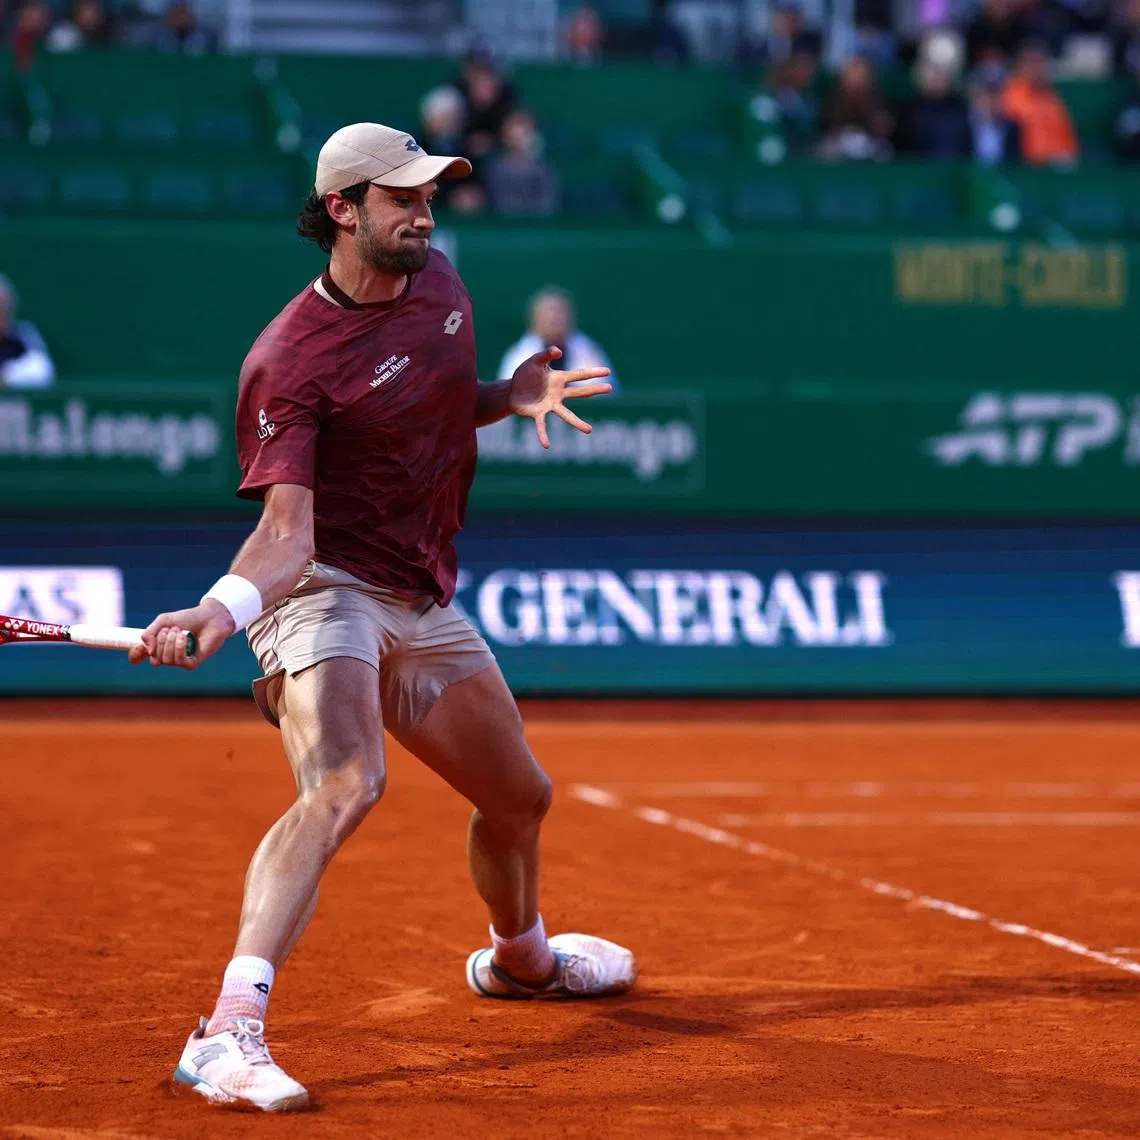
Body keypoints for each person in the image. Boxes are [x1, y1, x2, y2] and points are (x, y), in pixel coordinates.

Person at [129, 122, 635, 1114]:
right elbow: (283, 535)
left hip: (419, 591)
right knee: (349, 781)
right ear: (341, 212)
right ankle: (225, 1034)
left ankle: (520, 959)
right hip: (320, 587)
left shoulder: (442, 285)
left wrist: (508, 395)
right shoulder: (289, 360)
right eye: (401, 196)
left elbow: (438, 404)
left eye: (429, 192)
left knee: (521, 797)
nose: (424, 211)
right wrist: (225, 614)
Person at [498, 287, 618, 394]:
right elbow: (510, 398)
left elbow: (604, 393)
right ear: (534, 318)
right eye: (549, 311)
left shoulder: (589, 350)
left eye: (559, 311)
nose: (554, 317)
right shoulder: (518, 355)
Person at [1000, 41, 1079, 164]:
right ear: (1020, 65)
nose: (1038, 69)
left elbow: (1067, 141)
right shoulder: (1009, 96)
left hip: (1055, 169)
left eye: (1042, 63)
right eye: (1033, 63)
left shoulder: (1053, 99)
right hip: (1021, 167)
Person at [419, 85, 485, 214]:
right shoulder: (417, 147)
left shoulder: (466, 149)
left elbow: (473, 181)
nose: (451, 121)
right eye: (445, 116)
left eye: (454, 116)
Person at [485, 108, 561, 217]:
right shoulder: (495, 169)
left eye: (523, 134)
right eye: (513, 134)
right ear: (505, 136)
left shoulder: (544, 169)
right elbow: (498, 203)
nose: (518, 139)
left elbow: (548, 204)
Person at [818, 55, 894, 159]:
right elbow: (829, 126)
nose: (857, 80)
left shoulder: (876, 100)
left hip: (869, 146)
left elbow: (883, 127)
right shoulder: (834, 101)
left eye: (861, 76)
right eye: (853, 75)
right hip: (839, 146)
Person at [895, 60, 971, 157]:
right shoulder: (908, 112)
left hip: (956, 169)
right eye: (934, 76)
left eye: (942, 75)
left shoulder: (960, 109)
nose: (938, 80)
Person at [0, 275, 55, 388]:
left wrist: (5, 377)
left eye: (5, 308)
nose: (3, 314)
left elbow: (41, 371)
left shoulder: (24, 334)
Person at [968, 68, 1022, 163]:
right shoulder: (963, 126)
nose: (989, 102)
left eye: (994, 96)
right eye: (984, 96)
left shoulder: (1012, 128)